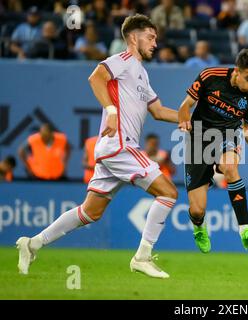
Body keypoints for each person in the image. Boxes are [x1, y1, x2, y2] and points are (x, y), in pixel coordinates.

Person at [16, 14, 179, 279]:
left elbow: (159, 111)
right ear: (133, 37)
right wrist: (111, 111)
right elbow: (95, 78)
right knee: (169, 192)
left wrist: (191, 119)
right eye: (150, 37)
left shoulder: (142, 74)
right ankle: (142, 257)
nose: (155, 43)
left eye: (156, 39)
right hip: (120, 145)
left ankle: (33, 243)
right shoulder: (122, 61)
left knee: (89, 212)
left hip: (112, 150)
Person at [178, 49, 248, 253]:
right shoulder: (210, 76)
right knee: (197, 209)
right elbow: (186, 105)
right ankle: (199, 227)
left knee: (229, 166)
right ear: (237, 71)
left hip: (228, 134)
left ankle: (245, 231)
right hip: (199, 137)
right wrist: (183, 119)